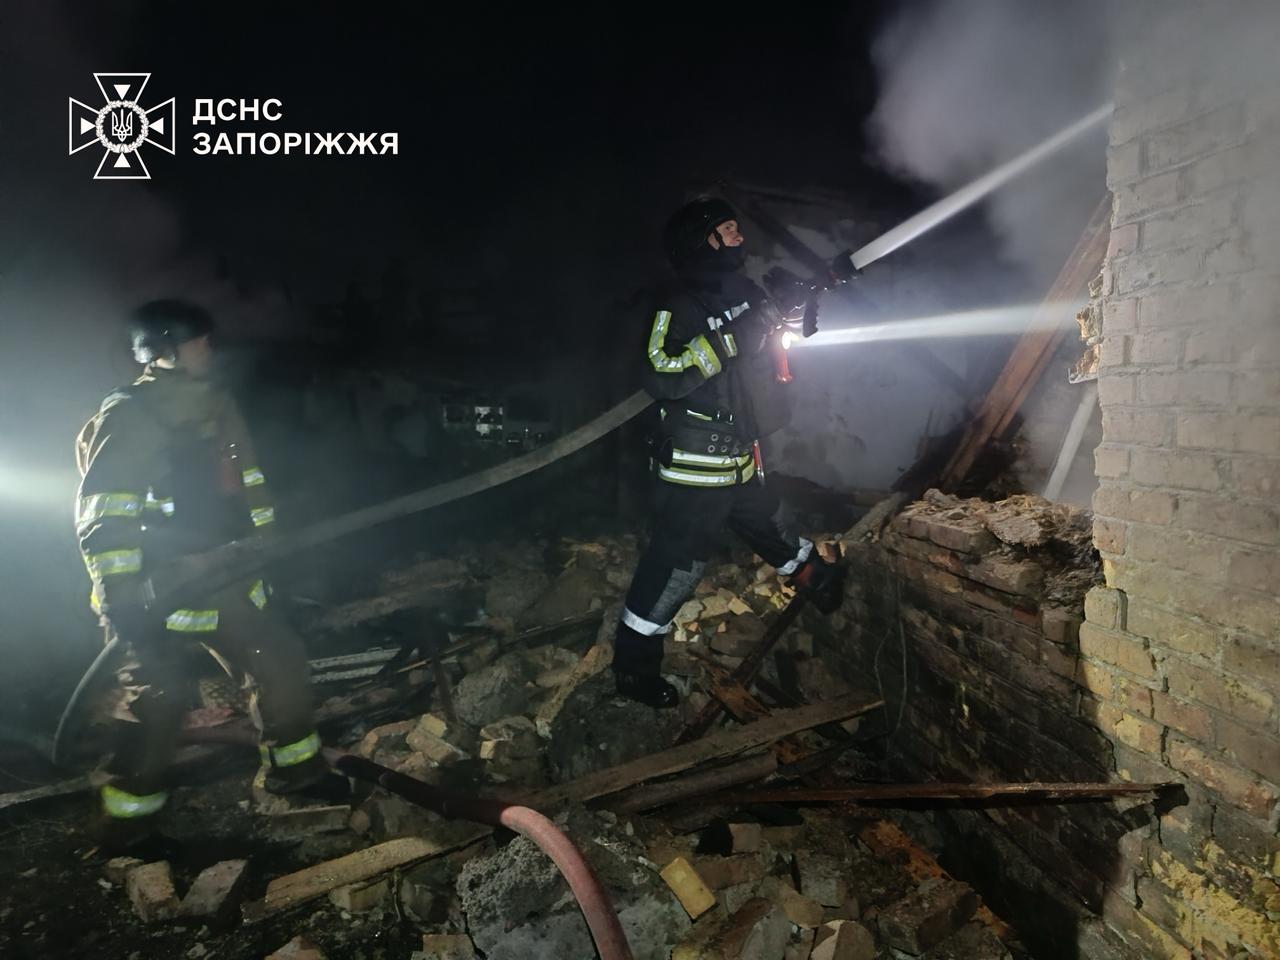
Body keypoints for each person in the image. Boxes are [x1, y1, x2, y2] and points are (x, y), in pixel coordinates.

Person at [75, 299, 327, 849]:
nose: (208, 349)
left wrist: (268, 550)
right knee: (156, 702)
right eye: (198, 341)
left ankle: (297, 773)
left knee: (279, 661)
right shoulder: (129, 416)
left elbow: (250, 485)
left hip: (224, 576)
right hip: (154, 589)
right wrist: (122, 597)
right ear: (164, 349)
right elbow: (104, 515)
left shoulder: (218, 406)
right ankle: (126, 827)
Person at [612, 198, 845, 708]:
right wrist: (740, 334)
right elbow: (662, 372)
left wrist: (792, 307)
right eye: (729, 229)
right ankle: (633, 669)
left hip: (739, 454)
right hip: (694, 467)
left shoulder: (744, 291)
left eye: (738, 227)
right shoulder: (675, 302)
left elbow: (772, 344)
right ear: (703, 241)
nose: (740, 236)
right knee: (677, 567)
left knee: (768, 522)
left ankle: (815, 574)